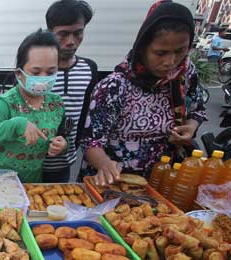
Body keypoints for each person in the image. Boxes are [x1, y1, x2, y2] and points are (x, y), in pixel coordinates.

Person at [81, 1, 206, 186]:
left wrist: (190, 127)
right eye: (160, 53)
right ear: (143, 47)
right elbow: (91, 142)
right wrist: (105, 164)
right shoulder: (114, 87)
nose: (170, 62)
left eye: (180, 51)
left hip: (162, 179)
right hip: (112, 182)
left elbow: (197, 108)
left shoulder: (186, 73)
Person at [0, 29, 68, 183]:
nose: (43, 79)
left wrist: (61, 145)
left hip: (31, 185)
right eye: (36, 72)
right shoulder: (6, 103)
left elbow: (62, 136)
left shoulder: (56, 104)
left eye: (51, 71)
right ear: (19, 73)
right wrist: (16, 124)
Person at [42, 0, 96, 183]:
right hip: (32, 163)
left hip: (65, 163)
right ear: (50, 33)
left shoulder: (89, 69)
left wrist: (76, 143)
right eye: (63, 34)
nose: (71, 41)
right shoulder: (37, 71)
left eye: (78, 33)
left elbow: (86, 115)